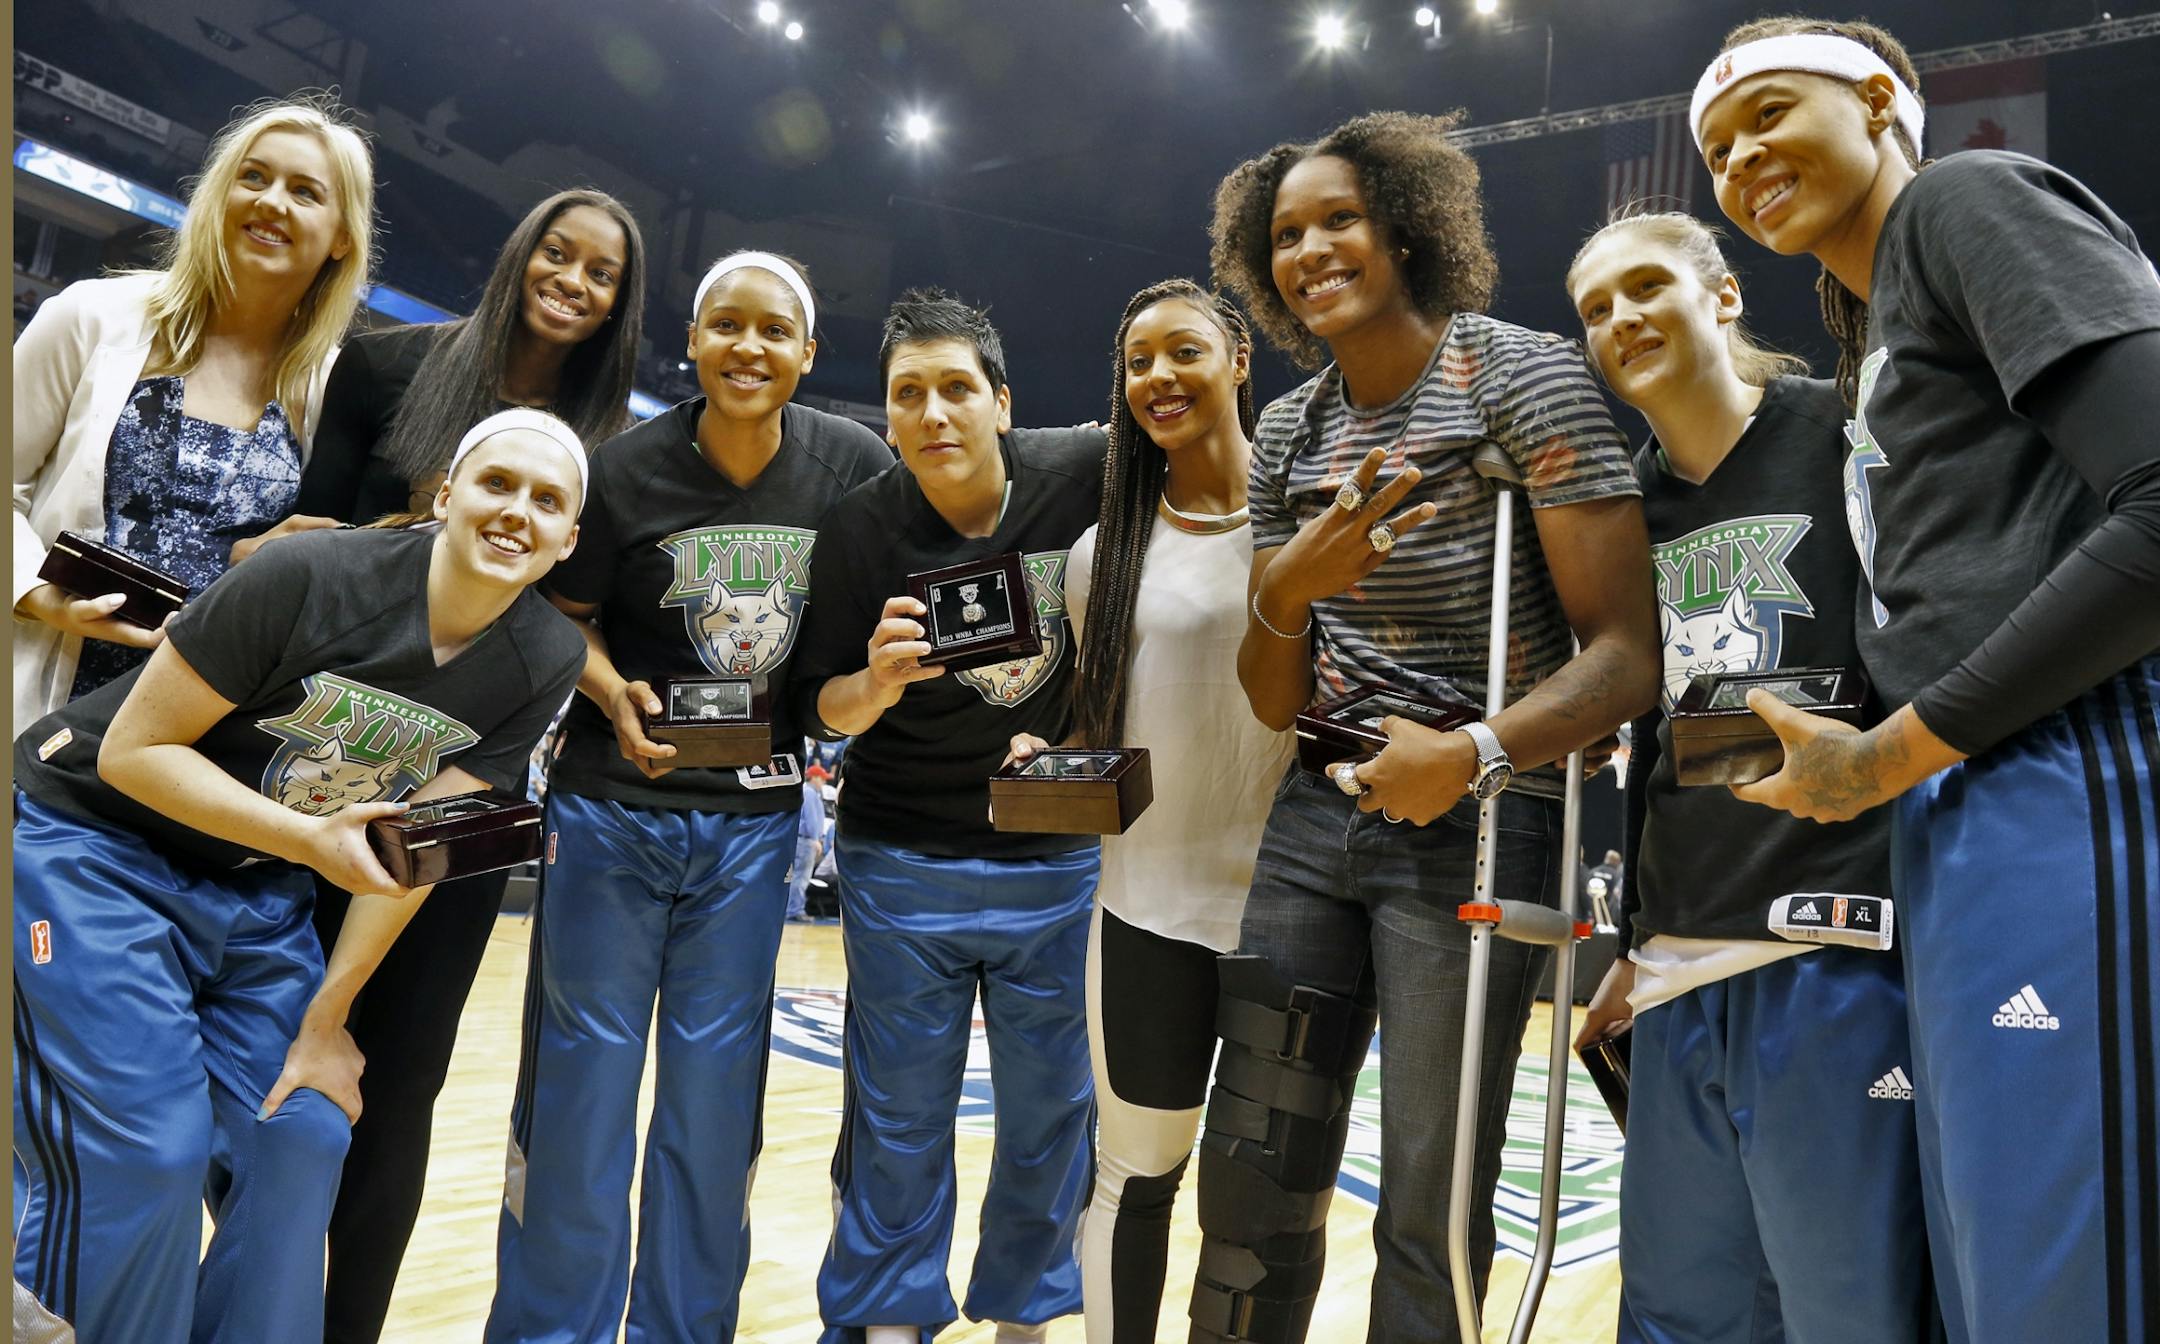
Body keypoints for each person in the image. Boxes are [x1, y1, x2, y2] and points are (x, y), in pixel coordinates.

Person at [1694, 17, 2160, 1343]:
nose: (1741, 160)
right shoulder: (1874, 328)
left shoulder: (1968, 200)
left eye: (1769, 114)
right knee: (1995, 1281)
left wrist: (1887, 754)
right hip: (1963, 803)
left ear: (1879, 100)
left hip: (2072, 768)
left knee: (2066, 1285)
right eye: (1717, 150)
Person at [1192, 111, 1660, 1343]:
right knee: (1256, 1156)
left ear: (1404, 229)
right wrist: (1287, 589)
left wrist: (1470, 756)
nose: (1311, 250)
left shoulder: (1520, 377)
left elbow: (1627, 655)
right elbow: (1272, 696)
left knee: (1428, 1191)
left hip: (1483, 817)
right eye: (1286, 234)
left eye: (1339, 219)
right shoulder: (1288, 431)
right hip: (1316, 814)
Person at [10, 410, 590, 1343]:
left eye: (547, 500)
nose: (518, 510)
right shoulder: (308, 575)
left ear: (568, 541)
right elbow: (132, 752)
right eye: (497, 483)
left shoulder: (547, 657)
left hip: (252, 891)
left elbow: (408, 855)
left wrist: (327, 1018)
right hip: (88, 843)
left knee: (304, 1134)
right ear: (445, 496)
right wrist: (306, 838)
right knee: (152, 1153)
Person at [261, 187, 646, 1344]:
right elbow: (301, 542)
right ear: (521, 252)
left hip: (472, 781)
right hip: (318, 762)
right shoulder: (388, 366)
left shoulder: (608, 444)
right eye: (558, 253)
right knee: (266, 1054)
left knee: (402, 1085)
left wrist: (615, 688)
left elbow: (569, 622)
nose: (572, 281)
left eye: (602, 273)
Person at [485, 251, 889, 1344]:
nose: (748, 348)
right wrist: (612, 692)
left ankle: (683, 1327)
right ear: (695, 341)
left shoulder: (853, 466)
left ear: (808, 352)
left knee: (714, 1108)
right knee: (581, 1091)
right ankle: (548, 1332)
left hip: (756, 825)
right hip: (610, 810)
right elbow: (562, 615)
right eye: (726, 325)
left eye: (773, 331)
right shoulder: (621, 469)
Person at [1564, 210, 1931, 1343]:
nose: (1621, 319)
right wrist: (1635, 945)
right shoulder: (1624, 512)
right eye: (1595, 310)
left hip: (1835, 944)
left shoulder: (1845, 432)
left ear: (1722, 294)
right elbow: (1654, 741)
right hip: (1679, 963)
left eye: (1644, 287)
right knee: (1675, 1315)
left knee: (1846, 1312)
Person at [793, 289, 1107, 1344]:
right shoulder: (858, 527)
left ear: (1002, 403)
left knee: (1052, 1112)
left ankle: (1028, 1316)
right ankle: (888, 1323)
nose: (933, 412)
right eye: (908, 393)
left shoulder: (1082, 472)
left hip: (1056, 856)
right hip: (900, 855)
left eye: (956, 388)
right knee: (898, 1113)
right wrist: (874, 685)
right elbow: (819, 708)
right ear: (887, 414)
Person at [1001, 278, 1290, 1344]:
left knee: (1265, 1198)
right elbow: (1104, 729)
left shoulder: (1309, 527)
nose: (1158, 377)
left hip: (1294, 918)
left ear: (1240, 359)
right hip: (1146, 912)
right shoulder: (1100, 558)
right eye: (1137, 362)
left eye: (1184, 351)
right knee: (1137, 1172)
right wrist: (1054, 763)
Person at [13, 94, 375, 725]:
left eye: (305, 192)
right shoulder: (91, 315)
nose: (271, 201)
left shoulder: (332, 387)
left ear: (343, 237)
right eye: (253, 177)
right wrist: (44, 599)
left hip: (183, 726)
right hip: (38, 680)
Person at [789, 763, 831, 921]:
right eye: (822, 779)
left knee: (797, 876)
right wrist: (815, 839)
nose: (824, 782)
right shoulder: (810, 793)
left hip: (802, 840)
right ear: (814, 778)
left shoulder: (806, 792)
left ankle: (792, 909)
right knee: (801, 877)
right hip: (806, 840)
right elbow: (811, 819)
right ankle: (795, 910)